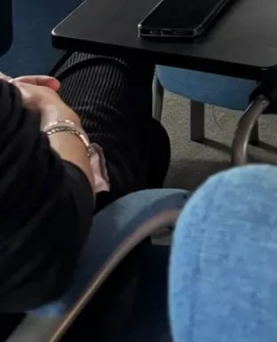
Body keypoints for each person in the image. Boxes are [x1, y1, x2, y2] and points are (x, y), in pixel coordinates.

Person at [0, 51, 170, 338]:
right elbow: (56, 224)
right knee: (107, 48)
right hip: (52, 298)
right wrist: (57, 114)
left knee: (150, 140)